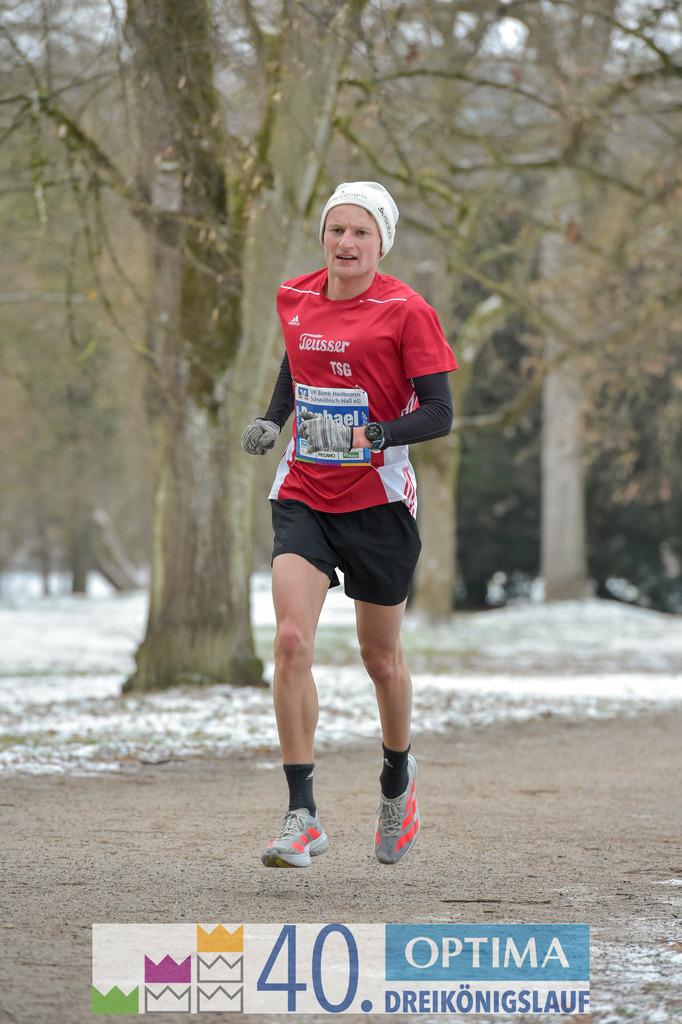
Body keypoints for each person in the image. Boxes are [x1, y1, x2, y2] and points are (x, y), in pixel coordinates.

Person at [241, 181, 457, 868]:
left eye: (361, 232)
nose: (346, 243)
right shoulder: (297, 298)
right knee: (292, 641)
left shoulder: (407, 311)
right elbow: (295, 359)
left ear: (380, 243)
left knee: (379, 659)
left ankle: (397, 780)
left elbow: (439, 412)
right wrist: (275, 420)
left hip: (380, 506)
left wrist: (378, 434)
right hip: (305, 494)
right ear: (324, 237)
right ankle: (301, 813)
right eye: (337, 230)